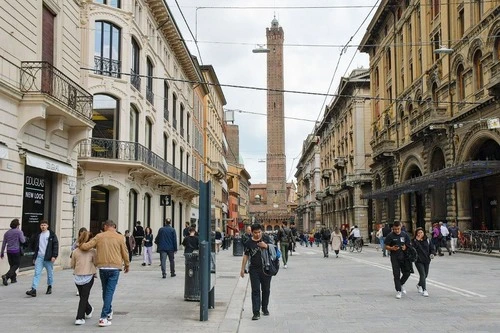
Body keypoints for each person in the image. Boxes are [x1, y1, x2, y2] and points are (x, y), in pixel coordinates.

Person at [80, 220, 130, 327]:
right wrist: (127, 264)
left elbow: (86, 246)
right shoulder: (120, 237)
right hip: (115, 267)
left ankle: (109, 310)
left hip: (103, 267)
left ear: (106, 226)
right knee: (109, 292)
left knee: (105, 290)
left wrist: (80, 244)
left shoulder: (99, 236)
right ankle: (103, 317)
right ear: (114, 227)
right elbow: (125, 252)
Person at [240, 223, 273, 320]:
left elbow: (274, 249)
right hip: (254, 270)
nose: (257, 234)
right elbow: (246, 255)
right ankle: (256, 312)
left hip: (266, 269)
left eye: (259, 232)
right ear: (252, 232)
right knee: (255, 291)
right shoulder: (248, 242)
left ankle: (265, 308)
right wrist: (242, 269)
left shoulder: (266, 239)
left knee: (266, 290)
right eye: (255, 232)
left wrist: (266, 246)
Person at [26, 220, 59, 297]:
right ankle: (33, 289)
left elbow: (55, 245)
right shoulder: (38, 235)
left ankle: (49, 286)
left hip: (48, 257)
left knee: (50, 273)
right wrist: (34, 257)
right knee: (37, 273)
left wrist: (54, 256)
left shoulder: (51, 235)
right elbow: (36, 247)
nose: (43, 226)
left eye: (44, 225)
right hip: (39, 257)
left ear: (47, 226)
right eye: (42, 225)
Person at [71, 231, 96, 325]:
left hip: (79, 276)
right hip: (88, 275)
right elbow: (96, 262)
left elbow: (72, 264)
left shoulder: (75, 251)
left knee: (83, 296)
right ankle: (88, 310)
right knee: (83, 297)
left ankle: (80, 316)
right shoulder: (93, 251)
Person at [385, 221, 412, 299]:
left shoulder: (405, 234)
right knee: (396, 274)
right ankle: (398, 290)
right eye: (395, 229)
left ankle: (401, 283)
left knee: (407, 272)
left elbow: (408, 244)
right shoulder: (390, 236)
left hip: (404, 256)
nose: (396, 230)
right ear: (393, 228)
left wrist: (405, 247)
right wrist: (391, 248)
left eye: (398, 229)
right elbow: (386, 246)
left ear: (401, 227)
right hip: (395, 257)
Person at [1, 218, 26, 286]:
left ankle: (13, 279)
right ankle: (6, 276)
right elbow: (23, 241)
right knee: (16, 265)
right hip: (16, 251)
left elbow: (4, 243)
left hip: (9, 251)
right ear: (17, 225)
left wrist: (2, 252)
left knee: (12, 265)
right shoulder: (19, 232)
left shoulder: (7, 233)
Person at [412, 227, 434, 297]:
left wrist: (432, 253)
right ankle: (424, 290)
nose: (420, 234)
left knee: (426, 275)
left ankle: (419, 285)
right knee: (422, 274)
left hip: (426, 260)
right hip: (418, 260)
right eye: (418, 233)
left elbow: (432, 248)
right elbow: (413, 249)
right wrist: (417, 241)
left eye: (421, 232)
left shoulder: (427, 240)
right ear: (416, 234)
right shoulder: (414, 241)